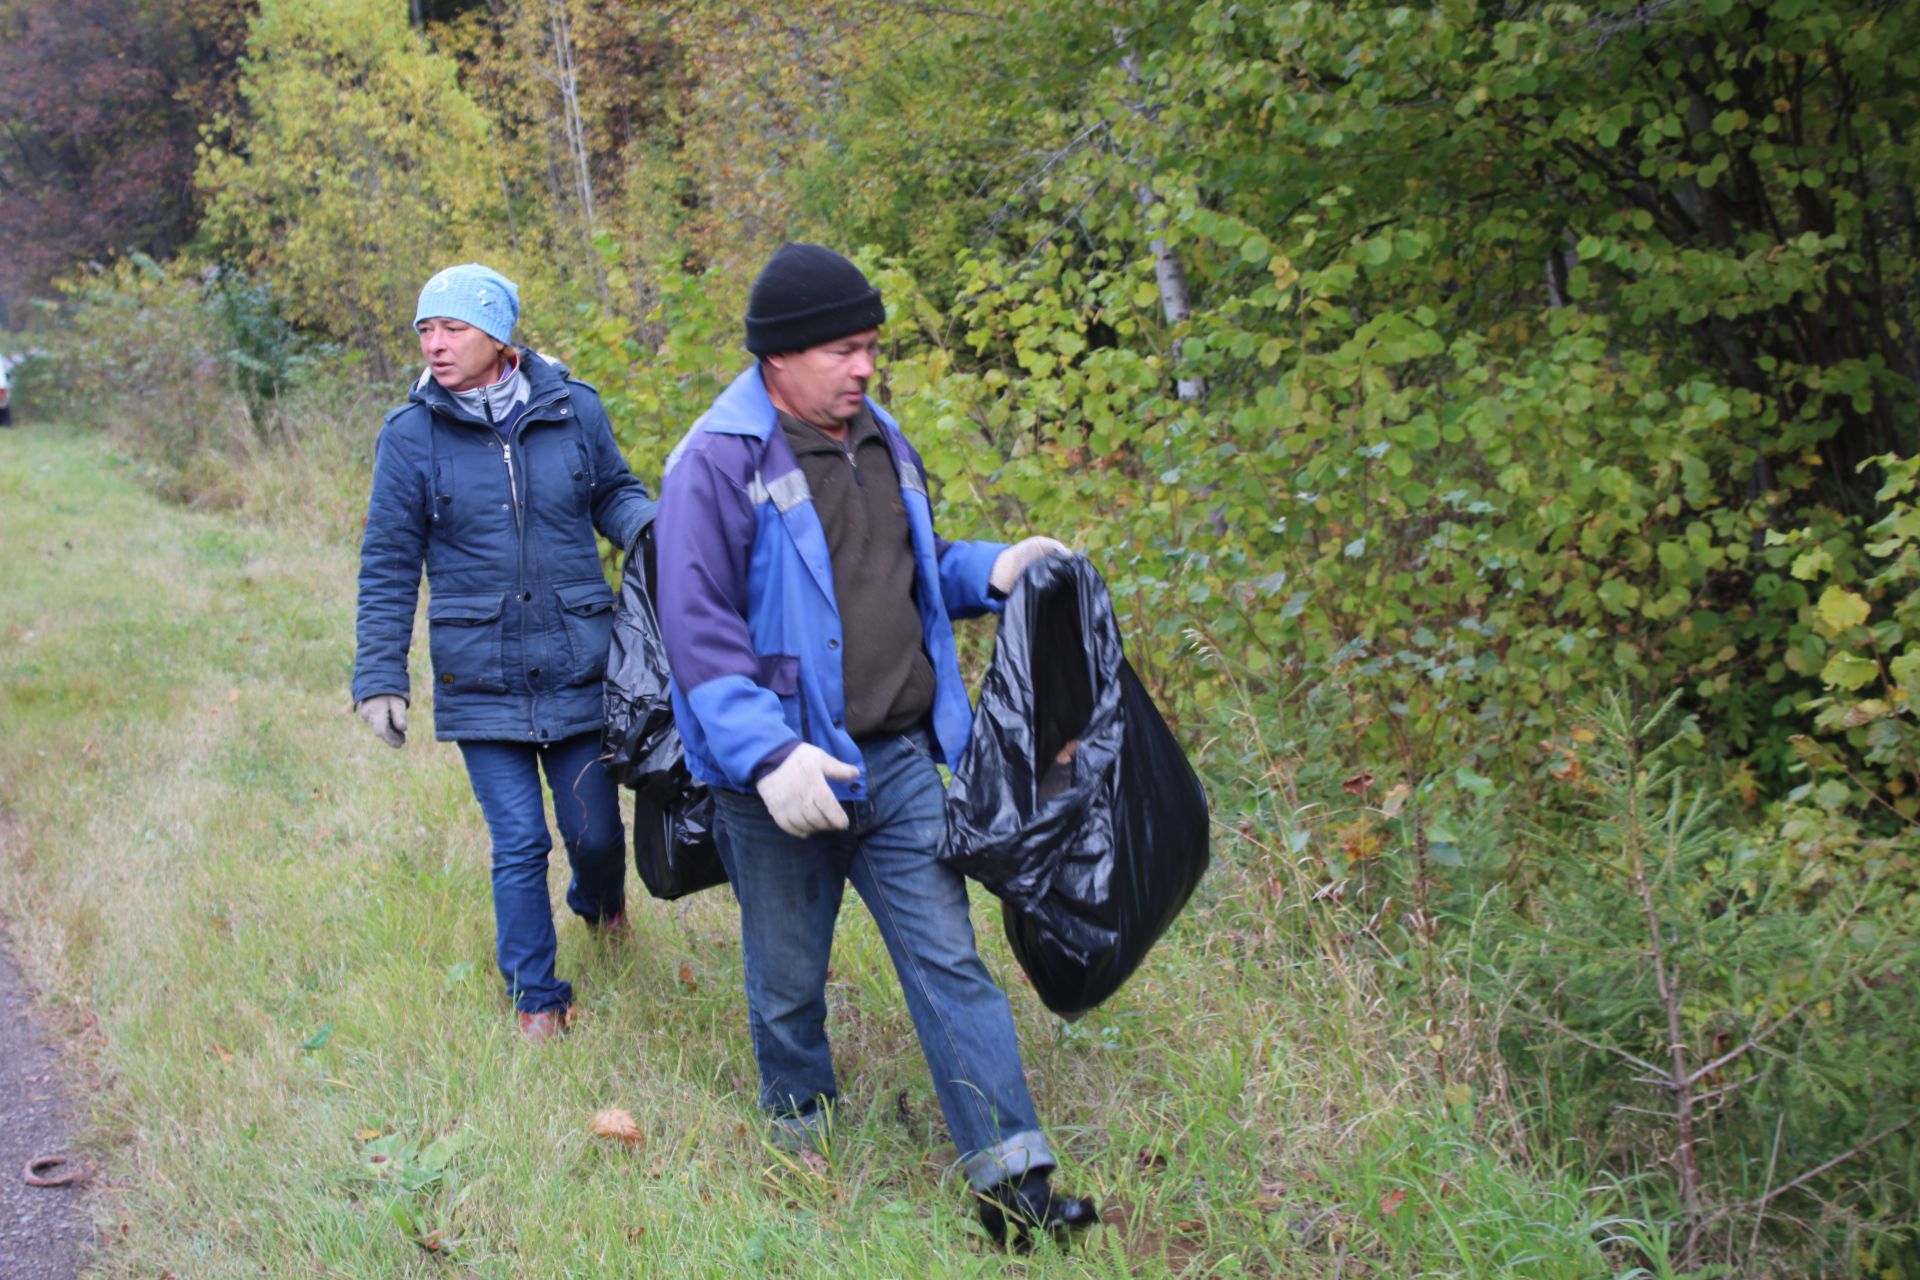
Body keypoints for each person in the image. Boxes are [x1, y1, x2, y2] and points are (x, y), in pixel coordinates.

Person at [653, 243, 1096, 1247]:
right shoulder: (717, 463)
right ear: (779, 355)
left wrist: (993, 568)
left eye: (870, 349)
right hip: (776, 782)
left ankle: (1012, 1182)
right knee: (786, 977)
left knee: (951, 962)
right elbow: (698, 629)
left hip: (897, 761)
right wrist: (770, 757)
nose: (863, 368)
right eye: (843, 349)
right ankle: (802, 1139)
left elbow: (905, 570)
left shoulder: (880, 439)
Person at [350, 263, 656, 1043]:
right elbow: (388, 562)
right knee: (519, 840)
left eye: (452, 327)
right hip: (479, 672)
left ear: (499, 335)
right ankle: (537, 998)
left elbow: (613, 493)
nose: (434, 343)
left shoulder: (572, 408)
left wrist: (656, 527)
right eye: (425, 328)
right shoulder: (410, 437)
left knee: (594, 833)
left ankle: (600, 903)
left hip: (577, 657)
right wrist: (381, 675)